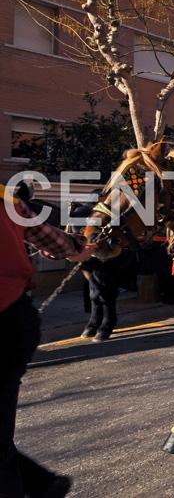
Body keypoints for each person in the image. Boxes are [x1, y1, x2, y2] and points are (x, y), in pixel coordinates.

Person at [1, 183, 94, 498]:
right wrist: (76, 246)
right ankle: (41, 483)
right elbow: (51, 239)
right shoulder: (6, 198)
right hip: (14, 319)